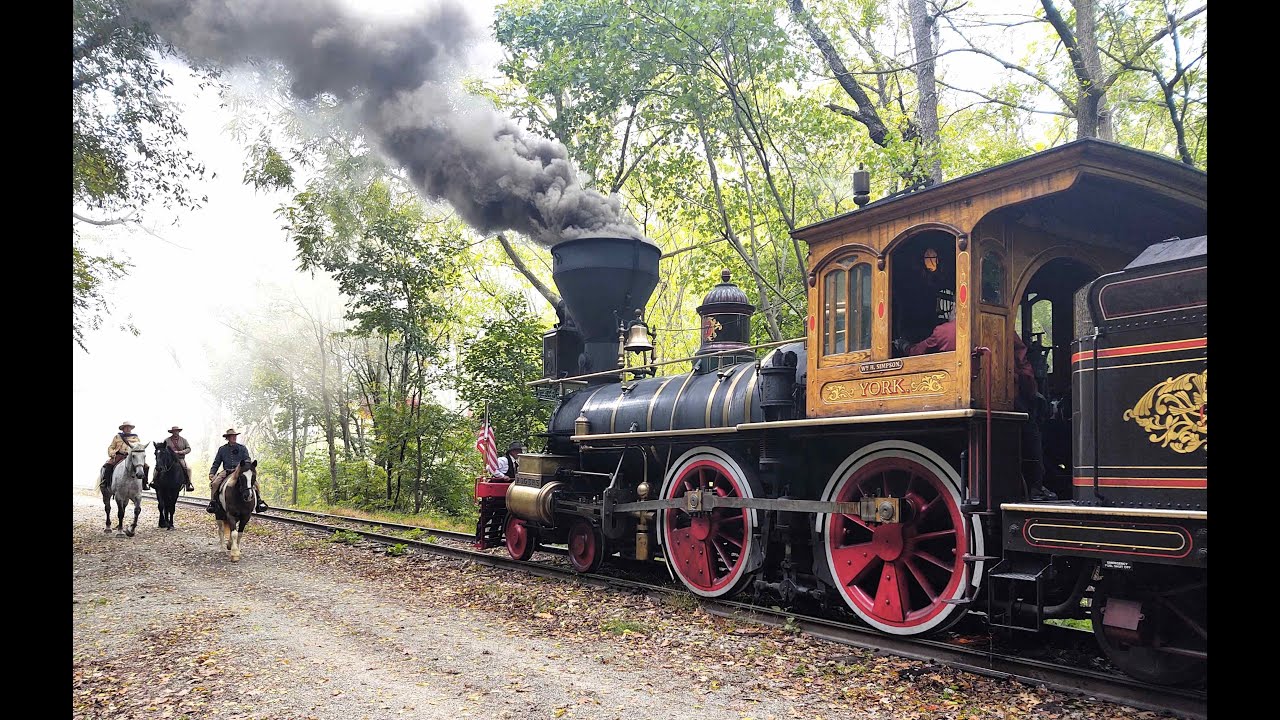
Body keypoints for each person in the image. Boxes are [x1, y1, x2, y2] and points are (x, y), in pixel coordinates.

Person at [1015, 333, 1057, 501]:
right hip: (1014, 398)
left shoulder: (941, 333)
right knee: (1032, 435)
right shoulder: (1006, 333)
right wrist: (1032, 392)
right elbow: (1023, 368)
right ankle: (1035, 487)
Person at [207, 428, 268, 513]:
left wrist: (244, 466)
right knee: (215, 483)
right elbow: (216, 462)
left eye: (235, 436)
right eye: (232, 436)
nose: (234, 437)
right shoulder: (222, 449)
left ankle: (259, 501)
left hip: (240, 471)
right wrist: (212, 473)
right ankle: (213, 503)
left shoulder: (242, 448)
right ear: (228, 438)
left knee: (255, 484)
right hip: (227, 471)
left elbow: (247, 459)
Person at [102, 421, 141, 491]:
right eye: (126, 427)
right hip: (119, 455)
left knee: (145, 466)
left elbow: (138, 447)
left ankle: (144, 484)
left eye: (129, 427)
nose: (127, 429)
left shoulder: (135, 437)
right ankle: (106, 483)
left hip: (131, 456)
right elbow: (111, 447)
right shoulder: (117, 437)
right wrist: (112, 453)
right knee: (108, 465)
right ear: (123, 429)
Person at [164, 425, 196, 492]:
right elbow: (163, 449)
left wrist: (181, 452)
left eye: (177, 431)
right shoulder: (167, 440)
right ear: (172, 432)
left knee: (188, 468)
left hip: (180, 458)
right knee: (158, 468)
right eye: (174, 431)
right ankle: (154, 481)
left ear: (179, 431)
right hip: (169, 459)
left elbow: (188, 449)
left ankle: (188, 484)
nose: (175, 432)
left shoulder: (184, 440)